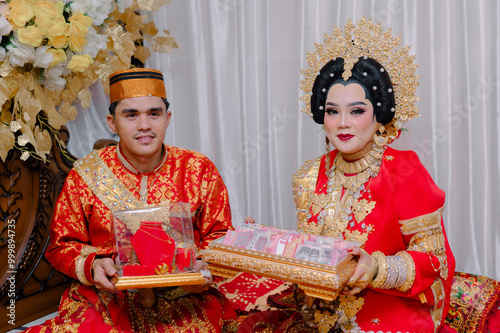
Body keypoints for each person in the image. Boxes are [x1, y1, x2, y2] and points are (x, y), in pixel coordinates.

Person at [239, 18, 456, 333]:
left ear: (378, 117)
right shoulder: (308, 175)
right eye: (331, 111)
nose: (342, 123)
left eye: (356, 111)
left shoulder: (402, 170)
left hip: (384, 306)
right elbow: (311, 252)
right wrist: (262, 245)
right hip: (318, 308)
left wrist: (374, 267)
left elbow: (434, 261)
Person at [25, 68, 237, 332]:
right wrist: (93, 265)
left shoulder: (197, 169)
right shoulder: (86, 174)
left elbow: (221, 237)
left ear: (167, 118)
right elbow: (61, 245)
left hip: (184, 294)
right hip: (108, 297)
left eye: (154, 114)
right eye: (131, 115)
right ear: (112, 122)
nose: (145, 125)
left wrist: (202, 268)